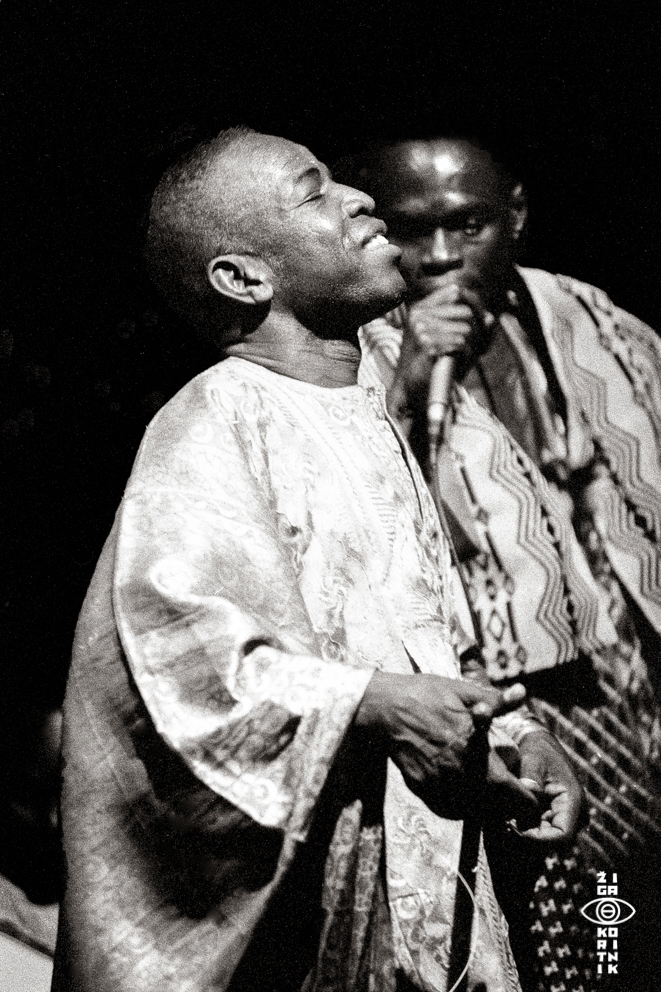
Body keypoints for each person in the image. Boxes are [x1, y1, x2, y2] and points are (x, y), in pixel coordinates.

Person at [53, 127, 583, 992]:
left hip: (414, 889)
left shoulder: (361, 415)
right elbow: (180, 669)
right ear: (244, 277)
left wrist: (512, 734)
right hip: (308, 931)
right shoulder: (217, 419)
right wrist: (374, 707)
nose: (359, 199)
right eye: (313, 192)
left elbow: (417, 641)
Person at [352, 135, 661, 991]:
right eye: (411, 231)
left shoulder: (583, 317)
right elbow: (360, 524)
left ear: (515, 217)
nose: (441, 255)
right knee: (585, 933)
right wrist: (410, 378)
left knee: (645, 910)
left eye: (469, 224)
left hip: (638, 670)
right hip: (525, 697)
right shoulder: (363, 353)